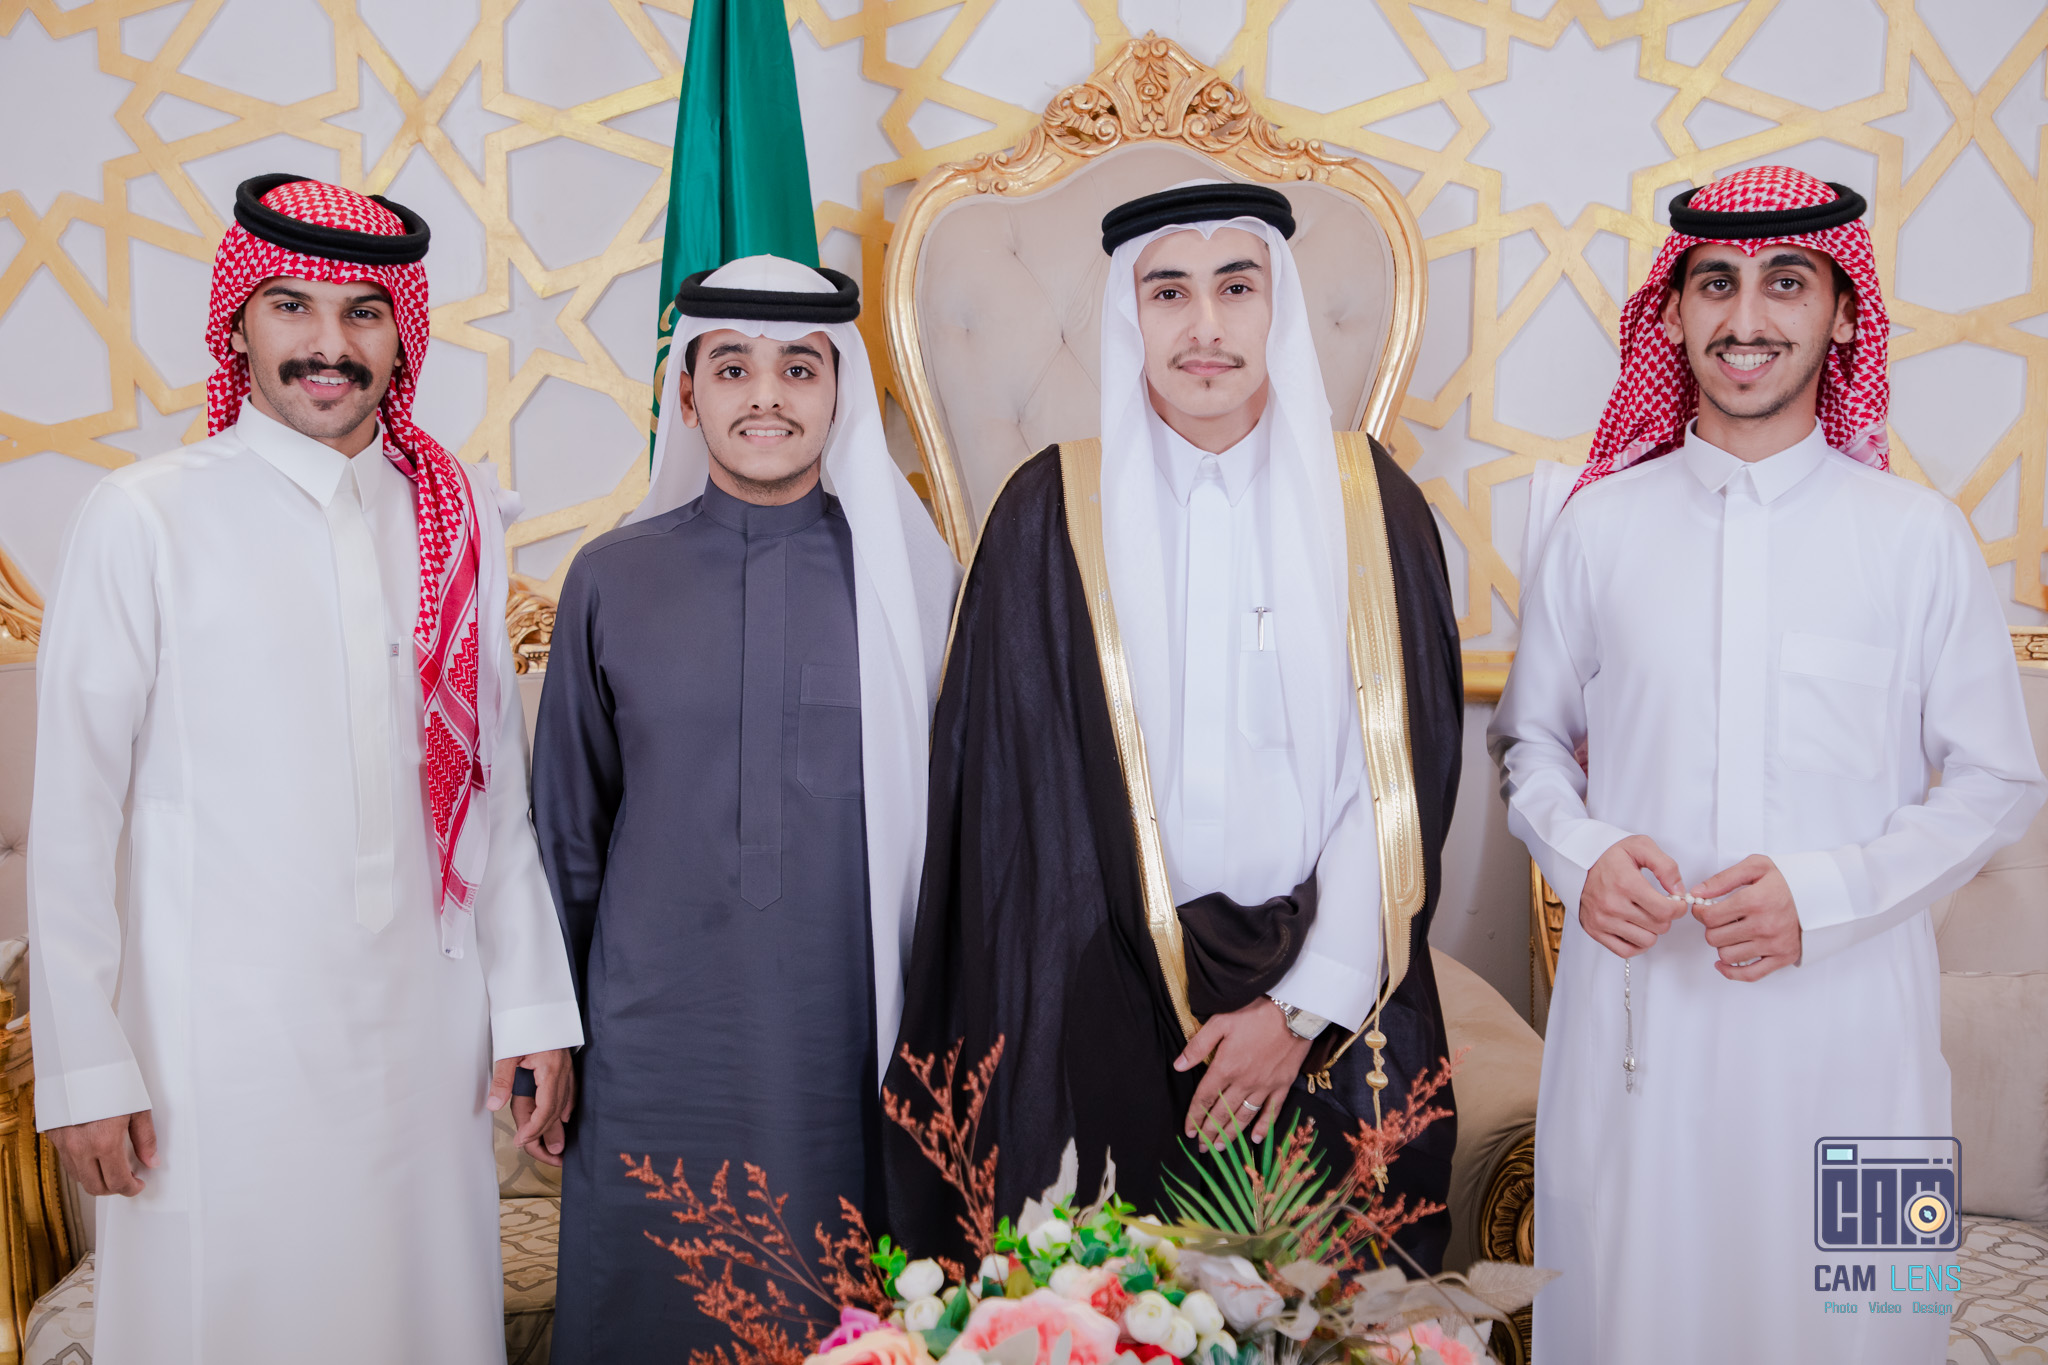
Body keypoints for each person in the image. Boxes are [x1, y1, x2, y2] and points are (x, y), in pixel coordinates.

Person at [1490, 166, 2046, 1365]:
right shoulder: (1596, 529)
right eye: (1715, 284)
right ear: (1671, 311)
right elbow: (1525, 744)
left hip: (1856, 1040)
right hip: (1642, 1034)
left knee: (1866, 1326)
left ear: (1842, 316)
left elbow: (1997, 780)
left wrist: (1826, 894)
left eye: (1785, 284)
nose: (1745, 318)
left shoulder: (1916, 539)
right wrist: (1583, 853)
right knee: (1634, 1319)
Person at [27, 174, 583, 1365]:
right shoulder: (144, 517)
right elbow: (73, 815)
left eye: (362, 313)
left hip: (424, 1039)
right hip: (216, 1050)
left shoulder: (453, 520)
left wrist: (535, 1008)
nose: (328, 344)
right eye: (292, 307)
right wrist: (83, 1067)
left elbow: (493, 790)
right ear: (238, 326)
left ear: (401, 336)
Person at [885, 181, 1463, 1270]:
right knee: (1105, 1310)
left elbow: (1400, 786)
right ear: (1128, 313)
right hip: (1096, 1005)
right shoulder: (1048, 513)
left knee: (1318, 1319)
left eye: (1235, 288)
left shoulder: (1370, 508)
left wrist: (1299, 1012)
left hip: (1327, 1007)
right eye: (1168, 292)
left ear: (1276, 307)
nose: (1204, 326)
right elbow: (1011, 821)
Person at [531, 255, 960, 1361]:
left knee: (840, 1311)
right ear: (687, 395)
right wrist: (547, 1031)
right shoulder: (610, 578)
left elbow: (965, 842)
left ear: (840, 391)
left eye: (798, 368)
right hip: (648, 1039)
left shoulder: (915, 589)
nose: (766, 396)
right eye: (731, 368)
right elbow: (566, 831)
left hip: (849, 1034)